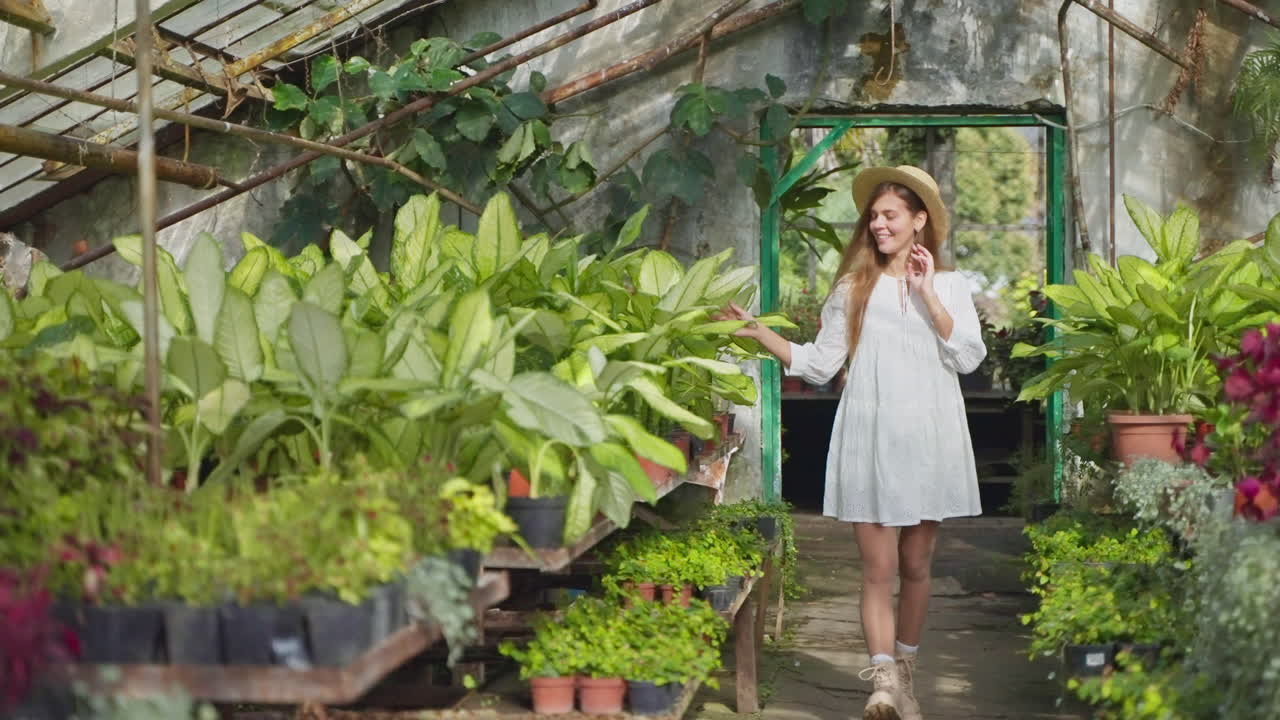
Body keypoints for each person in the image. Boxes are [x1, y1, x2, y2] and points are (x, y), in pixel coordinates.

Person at [723, 165, 985, 720]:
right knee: (877, 570)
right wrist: (759, 332)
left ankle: (906, 678)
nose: (878, 223)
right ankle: (884, 684)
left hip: (930, 436)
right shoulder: (853, 288)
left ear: (919, 221)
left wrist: (925, 294)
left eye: (890, 214)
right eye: (873, 216)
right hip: (872, 434)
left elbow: (968, 357)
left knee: (917, 565)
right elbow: (820, 365)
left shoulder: (952, 286)